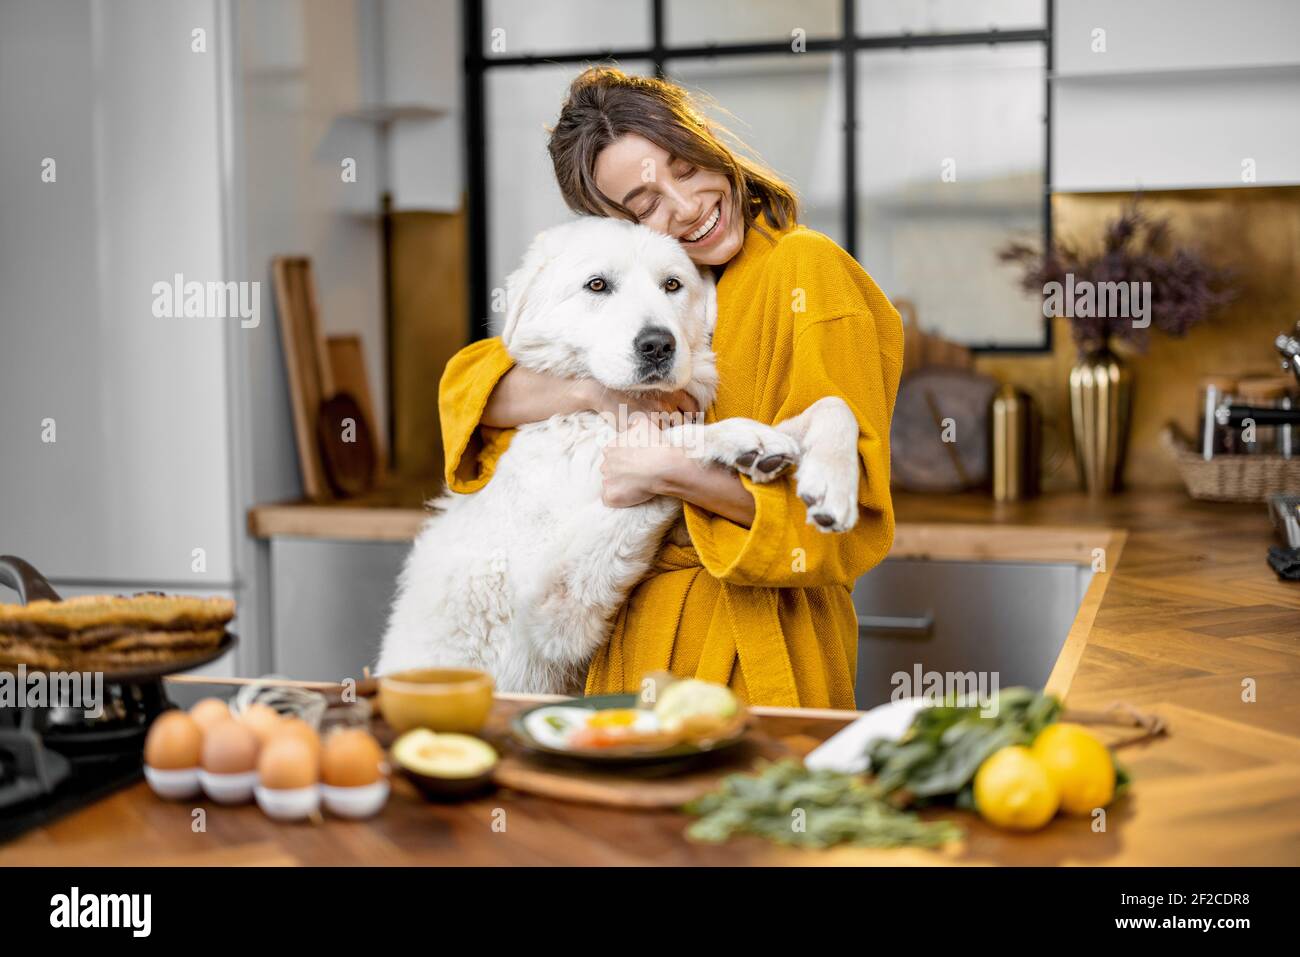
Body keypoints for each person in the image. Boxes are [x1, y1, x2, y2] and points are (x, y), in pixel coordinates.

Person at [438, 67, 902, 708]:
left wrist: (665, 474)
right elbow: (476, 386)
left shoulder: (806, 269)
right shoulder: (666, 291)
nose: (684, 209)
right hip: (629, 650)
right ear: (617, 225)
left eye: (684, 169)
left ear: (708, 141)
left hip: (756, 655)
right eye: (645, 204)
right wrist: (598, 394)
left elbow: (839, 530)